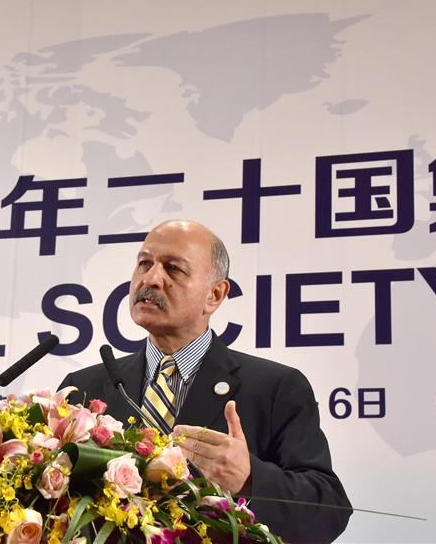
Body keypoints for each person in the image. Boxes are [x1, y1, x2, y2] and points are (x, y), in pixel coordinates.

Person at [58, 220, 352, 542]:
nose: (151, 279)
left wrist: (249, 479)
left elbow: (330, 510)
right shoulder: (84, 388)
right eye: (144, 263)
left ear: (215, 294)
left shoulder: (275, 388)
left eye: (173, 268)